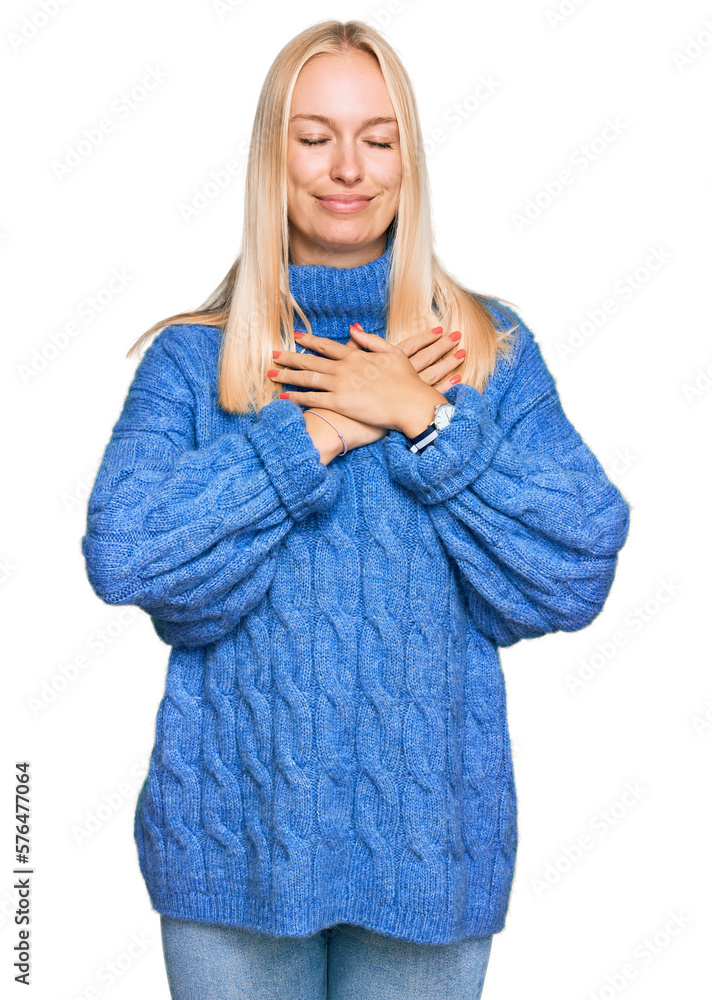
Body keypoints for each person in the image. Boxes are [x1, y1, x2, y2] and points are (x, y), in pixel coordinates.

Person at [81, 18, 631, 1000]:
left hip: (430, 854)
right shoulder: (194, 362)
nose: (348, 167)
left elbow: (576, 562)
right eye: (314, 135)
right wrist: (320, 432)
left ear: (409, 162)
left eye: (377, 139)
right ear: (270, 157)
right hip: (231, 857)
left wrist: (423, 417)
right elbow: (129, 556)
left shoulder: (483, 353)